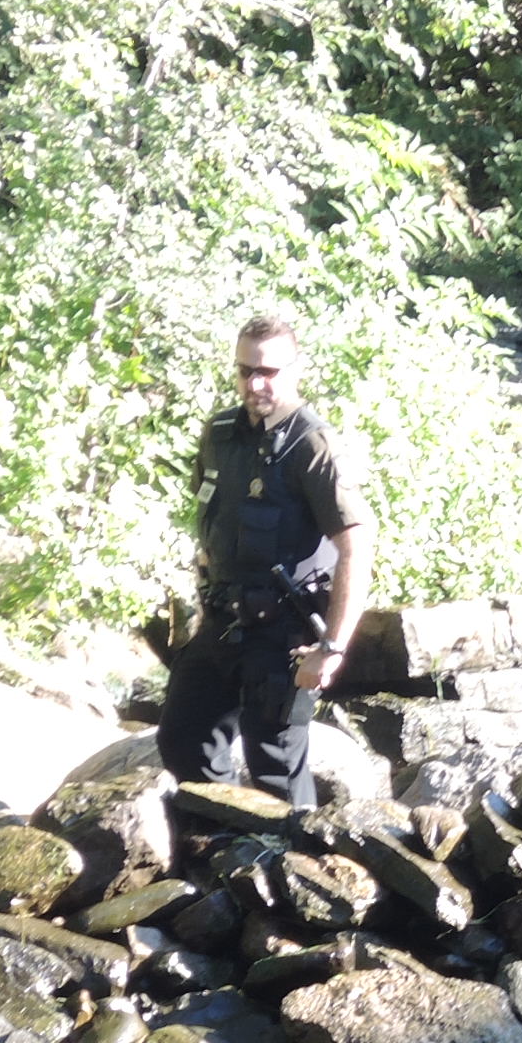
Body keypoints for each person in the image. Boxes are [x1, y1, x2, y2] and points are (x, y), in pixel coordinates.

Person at [158, 313, 376, 805]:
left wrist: (332, 647)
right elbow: (214, 530)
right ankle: (227, 852)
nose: (255, 383)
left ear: (296, 370)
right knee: (182, 741)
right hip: (221, 627)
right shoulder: (219, 434)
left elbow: (357, 544)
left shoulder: (312, 444)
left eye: (269, 372)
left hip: (282, 639)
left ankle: (299, 871)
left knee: (275, 767)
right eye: (244, 371)